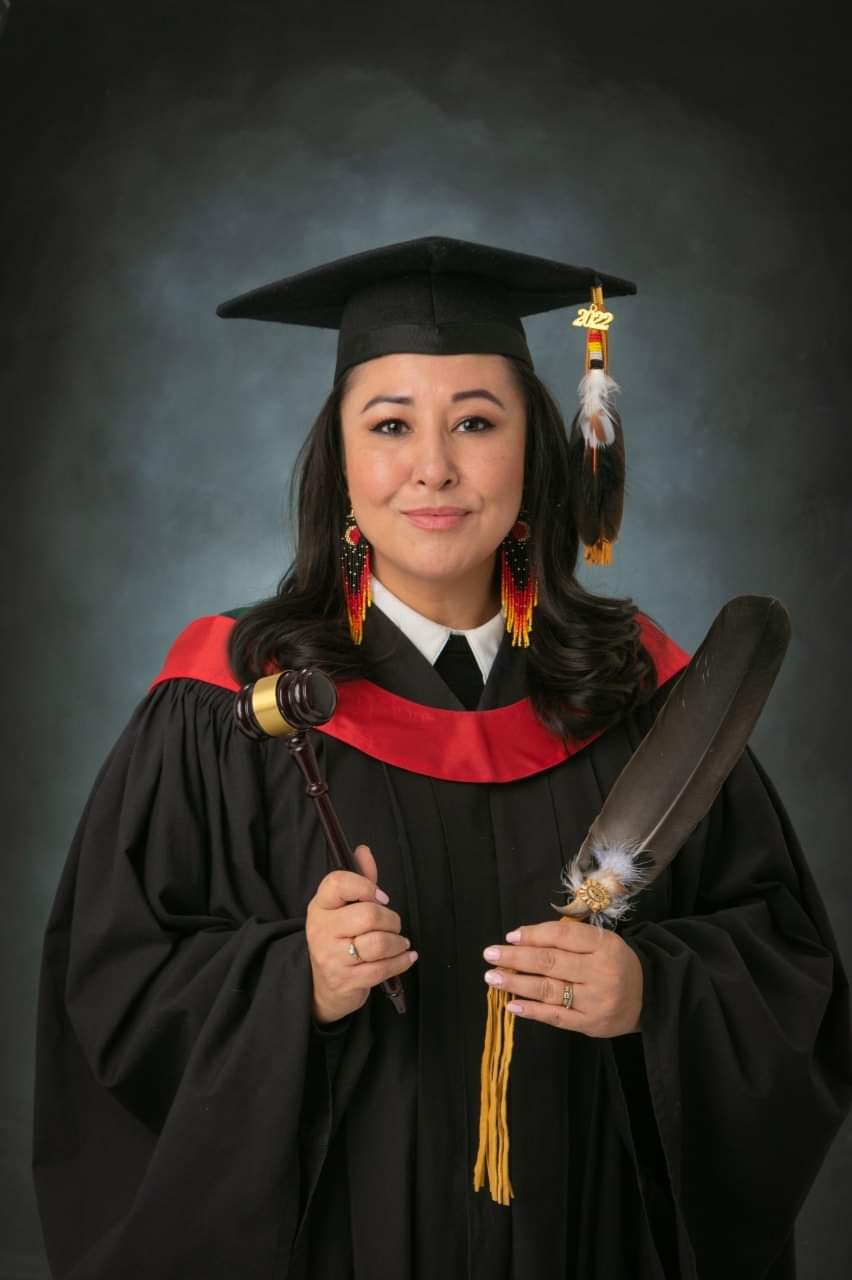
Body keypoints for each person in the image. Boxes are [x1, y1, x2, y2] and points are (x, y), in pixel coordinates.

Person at [32, 236, 852, 1280]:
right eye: (390, 424)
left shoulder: (645, 699)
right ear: (341, 462)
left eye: (475, 419)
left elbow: (788, 970)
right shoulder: (229, 702)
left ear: (536, 454)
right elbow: (109, 995)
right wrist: (292, 983)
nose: (434, 465)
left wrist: (652, 991)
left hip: (588, 1237)